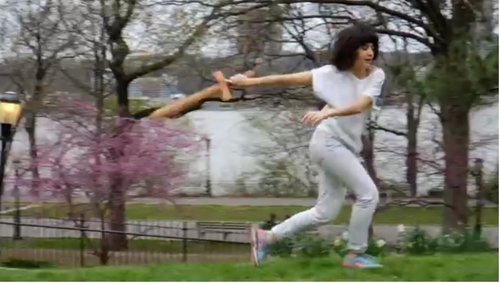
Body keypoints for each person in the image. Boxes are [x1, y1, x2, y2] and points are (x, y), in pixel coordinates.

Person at [227, 23, 385, 269]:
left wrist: (328, 113)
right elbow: (286, 79)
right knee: (368, 195)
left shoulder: (376, 75)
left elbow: (360, 106)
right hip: (328, 144)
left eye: (372, 47)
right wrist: (247, 83)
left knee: (325, 213)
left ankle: (266, 238)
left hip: (343, 147)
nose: (370, 52)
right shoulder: (330, 74)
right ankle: (355, 255)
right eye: (363, 47)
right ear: (350, 50)